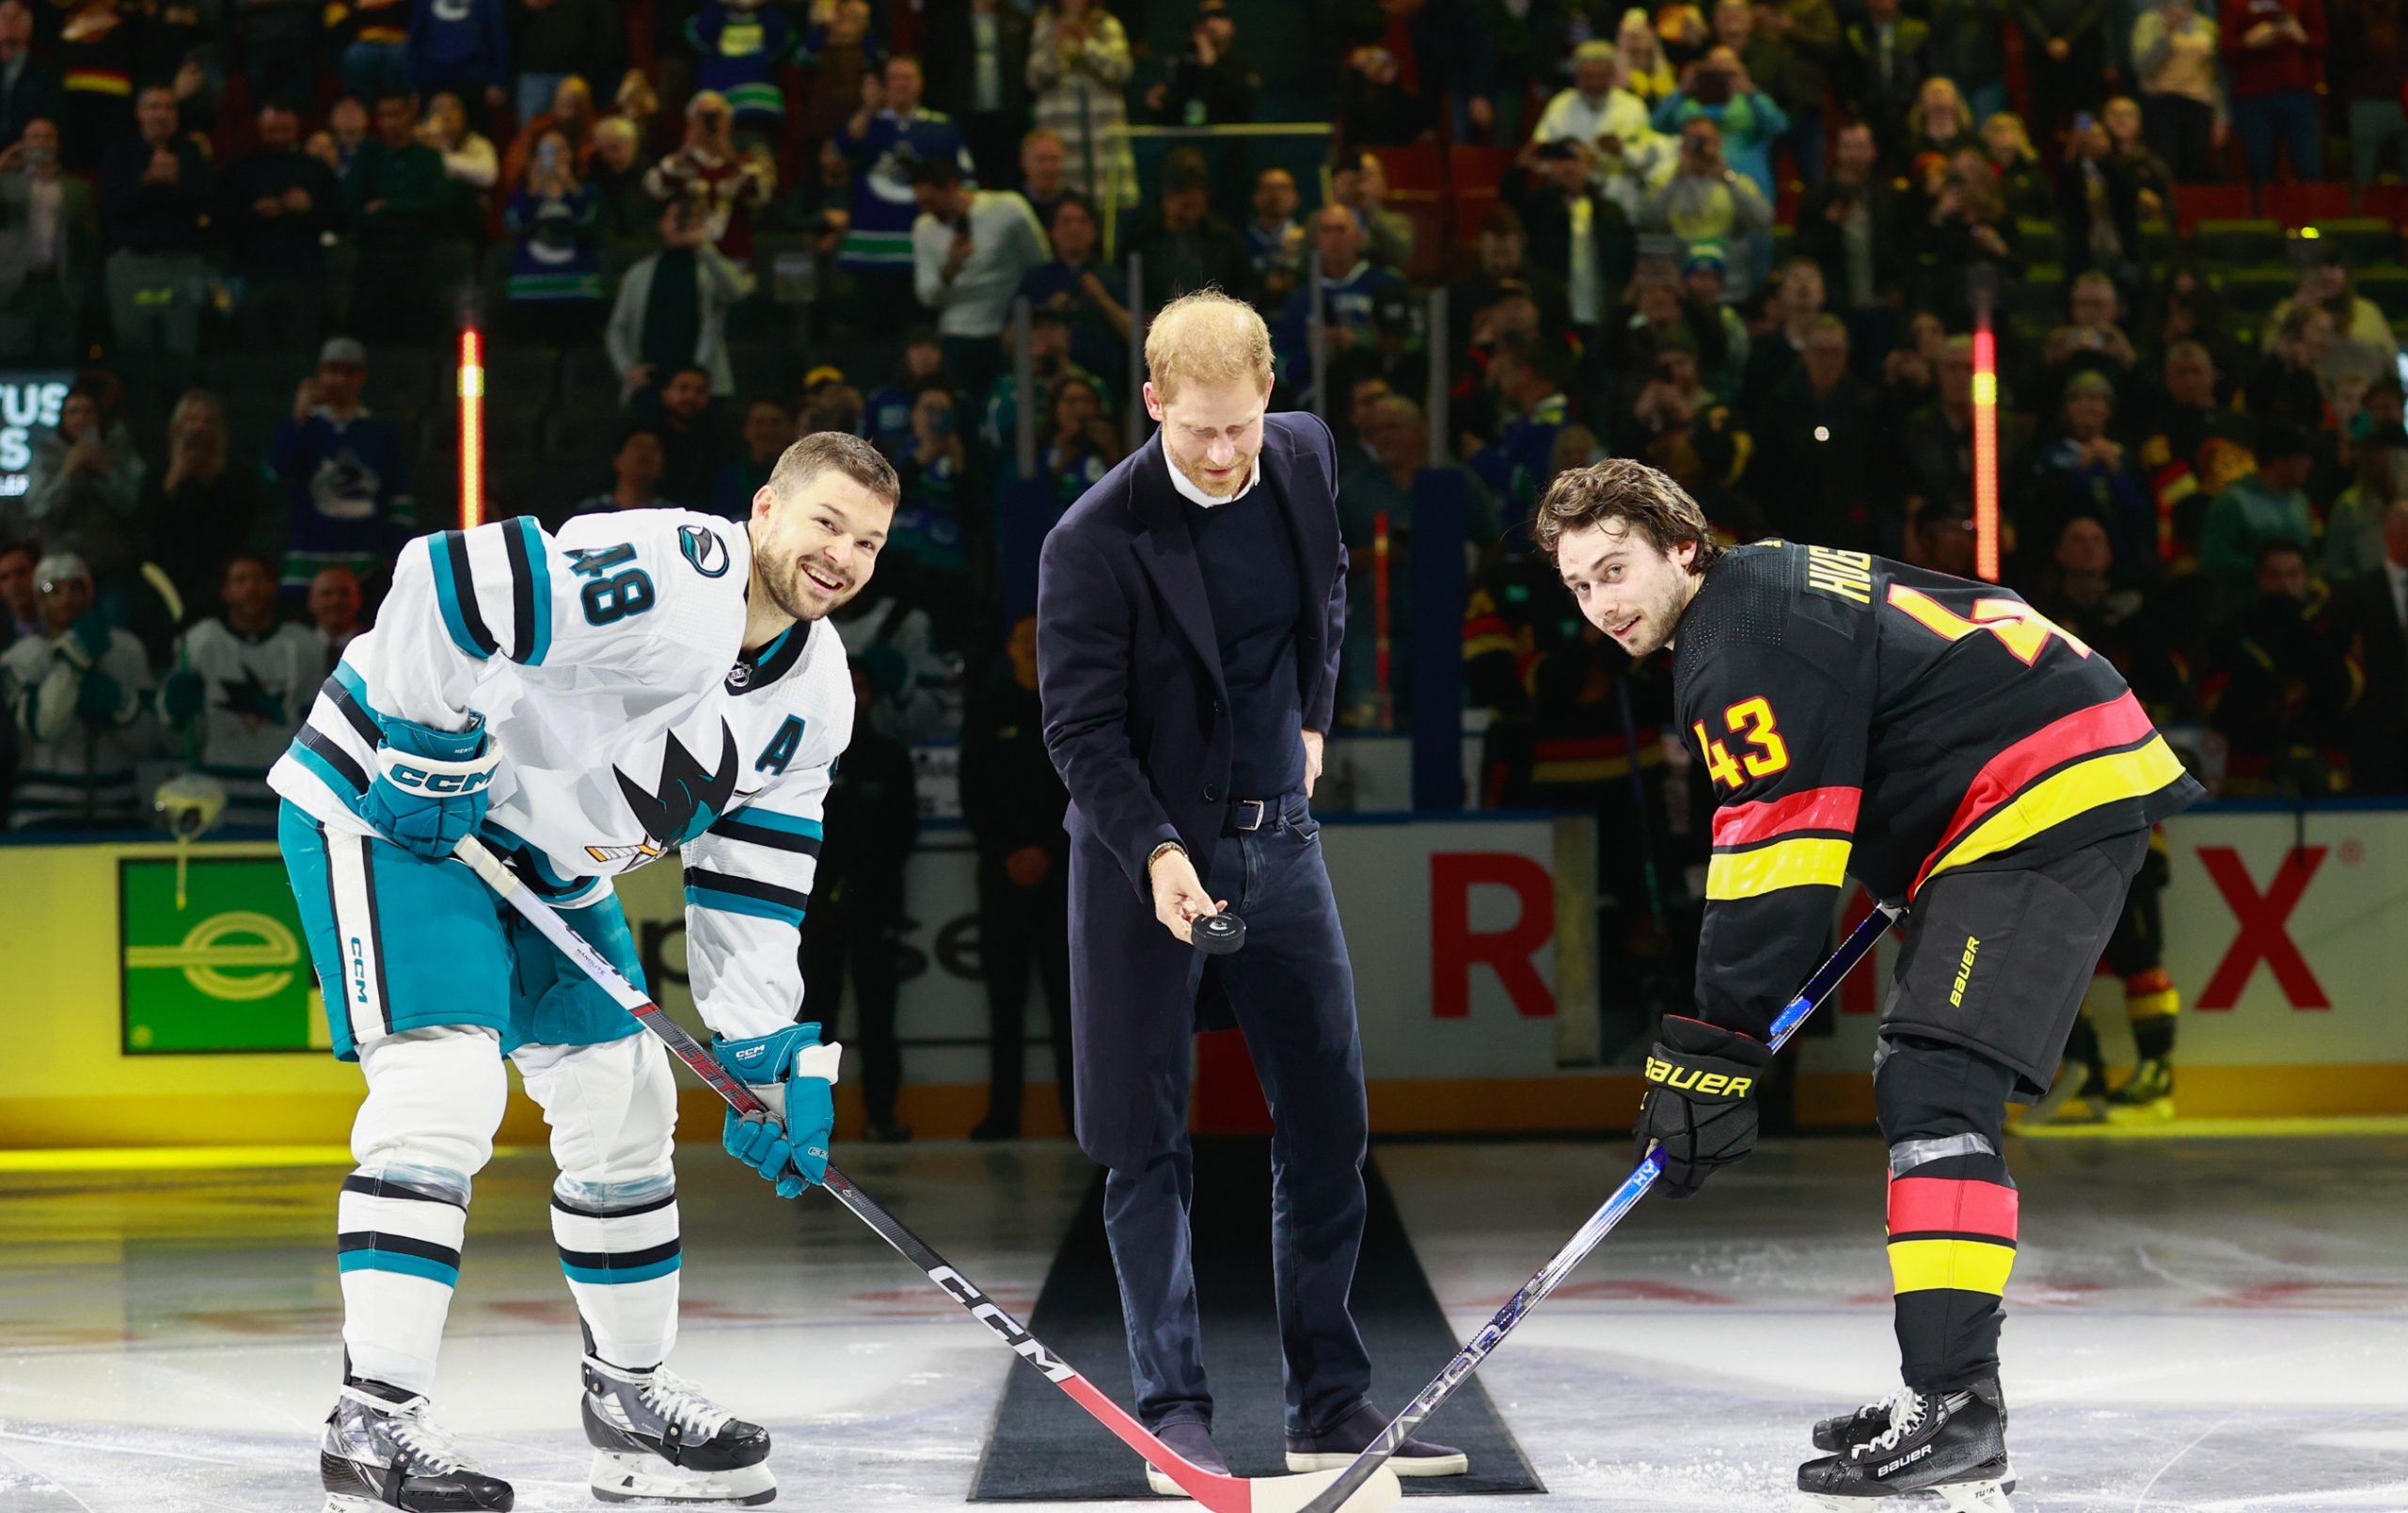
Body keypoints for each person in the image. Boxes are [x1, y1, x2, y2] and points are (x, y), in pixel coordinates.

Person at [1536, 457, 2201, 1508]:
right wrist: (1915, 828)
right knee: (1927, 1082)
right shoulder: (1761, 586)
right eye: (1578, 586)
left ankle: (1957, 1411)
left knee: (1935, 1086)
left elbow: (1772, 867)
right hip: (2027, 778)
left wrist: (1712, 1045)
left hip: (2038, 796)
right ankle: (1944, 1397)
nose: (1602, 605)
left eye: (1615, 570)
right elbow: (1934, 651)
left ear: (1682, 546)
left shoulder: (1735, 642)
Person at [265, 432, 899, 1510]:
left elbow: (750, 888)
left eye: (869, 542)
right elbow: (447, 578)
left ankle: (628, 1400)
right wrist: (427, 742)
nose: (841, 553)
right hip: (397, 820)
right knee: (442, 1091)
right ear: (765, 510)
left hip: (549, 869)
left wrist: (760, 1049)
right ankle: (370, 1418)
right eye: (825, 522)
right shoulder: (678, 574)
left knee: (626, 1105)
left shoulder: (819, 700)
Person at [1036, 290, 1466, 1489]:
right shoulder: (1090, 538)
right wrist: (1161, 855)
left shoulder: (1306, 455)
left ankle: (1329, 1403)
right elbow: (1078, 732)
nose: (1224, 455)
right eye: (1197, 432)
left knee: (1330, 1123)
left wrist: (1317, 718)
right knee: (1143, 1144)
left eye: (1241, 427)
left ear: (1269, 392)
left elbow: (1326, 588)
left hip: (1284, 845)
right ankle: (1171, 1411)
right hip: (1142, 863)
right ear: (1153, 402)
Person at [960, 613, 1073, 1139]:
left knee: (1067, 1004)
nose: (1031, 648)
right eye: (1022, 639)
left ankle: (1079, 1119)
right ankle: (1002, 1116)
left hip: (1063, 878)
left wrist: (1049, 851)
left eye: (1039, 638)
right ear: (1009, 647)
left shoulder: (1074, 708)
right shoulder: (988, 713)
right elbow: (974, 794)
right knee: (1004, 1005)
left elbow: (1086, 793)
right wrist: (1008, 852)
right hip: (1002, 879)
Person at [800, 656, 921, 1143]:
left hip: (876, 905)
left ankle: (881, 1116)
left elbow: (902, 834)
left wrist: (861, 883)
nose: (856, 698)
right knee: (816, 1019)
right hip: (819, 907)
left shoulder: (891, 757)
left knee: (878, 1019)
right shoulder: (806, 755)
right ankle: (812, 1125)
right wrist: (831, 884)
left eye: (864, 689)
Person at [158, 553, 322, 830]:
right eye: (240, 580)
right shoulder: (200, 641)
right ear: (225, 592)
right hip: (216, 799)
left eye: (259, 579)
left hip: (285, 799)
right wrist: (173, 712)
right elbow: (173, 736)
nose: (251, 588)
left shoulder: (305, 645)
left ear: (273, 586)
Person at [0, 550, 154, 829]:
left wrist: (122, 708)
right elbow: (45, 727)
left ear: (90, 593)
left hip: (117, 810)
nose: (66, 597)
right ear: (39, 602)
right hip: (42, 815)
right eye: (52, 590)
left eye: (75, 587)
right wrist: (73, 663)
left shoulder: (126, 650)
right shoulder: (21, 658)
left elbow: (151, 741)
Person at [271, 339, 418, 597]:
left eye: (350, 371)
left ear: (362, 377)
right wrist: (298, 417)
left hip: (365, 568)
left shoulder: (379, 434)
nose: (340, 379)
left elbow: (400, 502)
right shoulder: (302, 427)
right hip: (306, 565)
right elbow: (277, 472)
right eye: (332, 370)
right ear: (319, 374)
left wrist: (390, 555)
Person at [910, 154, 1051, 400]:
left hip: (1005, 332)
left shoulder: (1007, 209)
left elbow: (1040, 263)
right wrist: (951, 267)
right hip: (957, 334)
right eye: (921, 203)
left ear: (952, 186)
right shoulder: (924, 227)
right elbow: (927, 297)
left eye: (931, 201)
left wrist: (1022, 316)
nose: (927, 210)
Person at [834, 54, 972, 302]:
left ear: (920, 84)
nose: (900, 84)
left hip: (922, 250)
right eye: (894, 78)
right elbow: (843, 148)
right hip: (869, 250)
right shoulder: (869, 123)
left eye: (907, 78)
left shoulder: (942, 127)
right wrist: (868, 107)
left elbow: (966, 183)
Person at [99, 84, 213, 358]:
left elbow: (209, 208)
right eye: (153, 107)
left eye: (168, 107)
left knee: (182, 350)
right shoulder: (120, 154)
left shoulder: (191, 154)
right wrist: (147, 182)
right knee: (134, 350)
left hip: (182, 264)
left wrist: (175, 184)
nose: (161, 114)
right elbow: (109, 209)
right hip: (133, 264)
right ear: (139, 113)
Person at [220, 101, 342, 349]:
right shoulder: (239, 170)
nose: (279, 130)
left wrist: (309, 209)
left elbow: (340, 220)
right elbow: (219, 223)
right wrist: (253, 212)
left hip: (304, 278)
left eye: (285, 125)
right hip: (251, 277)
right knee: (253, 356)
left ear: (297, 125)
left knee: (302, 354)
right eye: (272, 126)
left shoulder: (316, 169)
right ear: (260, 125)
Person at [605, 202, 753, 403]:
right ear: (663, 224)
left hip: (703, 385)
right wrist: (627, 369)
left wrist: (704, 245)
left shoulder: (711, 270)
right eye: (678, 218)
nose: (685, 224)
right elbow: (617, 328)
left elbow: (737, 292)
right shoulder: (639, 273)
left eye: (692, 219)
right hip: (650, 383)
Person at [0, 117, 99, 364]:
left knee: (59, 360)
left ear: (58, 144)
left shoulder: (78, 189)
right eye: (34, 136)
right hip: (16, 287)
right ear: (23, 143)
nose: (41, 142)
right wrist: (2, 166)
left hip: (60, 286)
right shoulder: (7, 185)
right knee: (15, 361)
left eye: (48, 136)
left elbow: (90, 239)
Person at [500, 127, 605, 345]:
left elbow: (592, 224)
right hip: (530, 293)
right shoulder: (522, 196)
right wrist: (533, 191)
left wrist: (571, 186)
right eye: (547, 151)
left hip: (578, 291)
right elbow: (515, 224)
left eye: (561, 150)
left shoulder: (588, 192)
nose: (555, 158)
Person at [1027, 0, 1134, 206]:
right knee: (1068, 208)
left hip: (1103, 141)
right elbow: (1034, 78)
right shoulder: (1045, 26)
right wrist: (1058, 46)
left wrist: (1087, 43)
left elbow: (1121, 70)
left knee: (1109, 209)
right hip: (1064, 141)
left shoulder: (1108, 26)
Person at [921, 0, 1034, 189]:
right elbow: (936, 73)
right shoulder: (948, 21)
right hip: (964, 120)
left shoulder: (1019, 20)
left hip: (1008, 121)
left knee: (1006, 182)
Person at [2220, 0, 2325, 185]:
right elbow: (2225, 49)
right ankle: (2261, 213)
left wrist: (2301, 36)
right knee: (2258, 166)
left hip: (2299, 93)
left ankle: (2311, 212)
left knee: (2309, 166)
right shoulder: (2234, 3)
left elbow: (2324, 41)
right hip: (2253, 96)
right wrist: (2248, 41)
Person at [2131, 0, 2224, 182]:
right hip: (2162, 103)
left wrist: (2220, 117)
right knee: (2165, 167)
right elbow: (2143, 68)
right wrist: (2167, 34)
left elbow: (2215, 77)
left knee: (2194, 167)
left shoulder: (2206, 25)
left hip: (2199, 104)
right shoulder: (2149, 23)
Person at [708, 400, 796, 521]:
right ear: (746, 430)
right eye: (760, 423)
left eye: (776, 422)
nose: (768, 430)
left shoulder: (802, 476)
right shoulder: (727, 477)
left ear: (791, 429)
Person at [574, 427, 673, 514]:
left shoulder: (671, 514)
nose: (645, 454)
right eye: (638, 446)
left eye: (654, 448)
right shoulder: (589, 512)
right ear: (617, 461)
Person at [309, 564, 363, 664]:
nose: (336, 601)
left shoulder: (373, 647)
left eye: (344, 593)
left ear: (359, 599)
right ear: (311, 601)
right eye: (327, 594)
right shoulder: (296, 648)